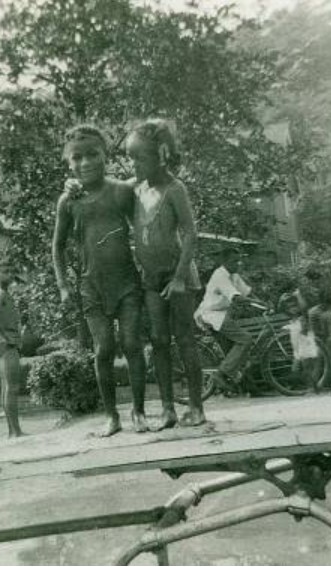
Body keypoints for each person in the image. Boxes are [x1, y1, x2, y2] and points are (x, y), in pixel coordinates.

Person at [53, 125, 148, 437]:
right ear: (69, 164)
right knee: (103, 348)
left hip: (126, 282)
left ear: (105, 155)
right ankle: (111, 416)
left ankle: (138, 411)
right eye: (77, 158)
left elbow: (143, 223)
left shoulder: (120, 191)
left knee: (133, 344)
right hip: (90, 285)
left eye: (93, 154)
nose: (85, 163)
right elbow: (57, 247)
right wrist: (64, 285)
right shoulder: (68, 202)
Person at [126, 119, 205, 428]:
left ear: (160, 154)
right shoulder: (135, 189)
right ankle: (168, 409)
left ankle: (196, 407)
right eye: (130, 157)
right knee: (158, 340)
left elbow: (190, 234)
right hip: (151, 279)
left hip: (178, 275)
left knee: (184, 338)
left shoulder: (175, 189)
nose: (133, 164)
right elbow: (106, 188)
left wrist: (179, 277)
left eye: (139, 158)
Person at [195, 247, 257, 392]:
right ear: (224, 261)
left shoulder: (234, 275)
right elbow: (236, 297)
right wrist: (255, 303)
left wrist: (262, 302)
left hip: (221, 315)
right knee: (245, 339)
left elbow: (247, 292)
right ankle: (221, 374)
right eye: (234, 261)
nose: (238, 263)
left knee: (232, 351)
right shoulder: (220, 275)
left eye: (239, 260)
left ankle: (246, 385)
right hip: (212, 315)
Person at [0, 261, 24, 438]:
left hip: (1, 341)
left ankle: (12, 431)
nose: (9, 275)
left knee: (6, 387)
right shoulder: (0, 293)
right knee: (12, 387)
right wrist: (6, 336)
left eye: (11, 271)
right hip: (6, 342)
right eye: (5, 271)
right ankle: (16, 432)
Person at [279, 293, 321, 392]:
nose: (293, 309)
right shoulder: (292, 321)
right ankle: (303, 384)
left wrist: (298, 294)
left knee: (308, 365)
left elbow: (305, 330)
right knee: (298, 366)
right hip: (297, 346)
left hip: (305, 344)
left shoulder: (302, 318)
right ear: (286, 309)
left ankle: (312, 385)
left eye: (295, 306)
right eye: (290, 307)